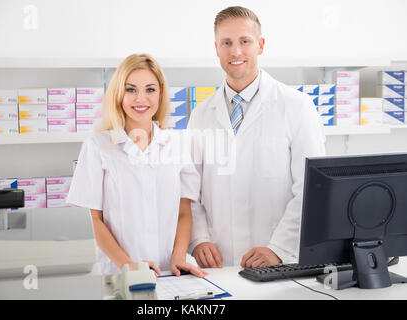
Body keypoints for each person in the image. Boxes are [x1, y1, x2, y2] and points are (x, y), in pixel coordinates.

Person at [187, 6, 326, 269]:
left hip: (279, 261)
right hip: (219, 263)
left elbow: (312, 188)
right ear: (216, 48)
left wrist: (279, 248)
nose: (236, 51)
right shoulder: (201, 115)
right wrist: (199, 240)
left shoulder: (297, 106)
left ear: (260, 45)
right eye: (226, 42)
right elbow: (190, 190)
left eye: (245, 41)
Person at [67, 53, 207, 278]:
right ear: (119, 93)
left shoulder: (177, 144)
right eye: (131, 89)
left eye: (150, 89)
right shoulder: (98, 146)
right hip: (118, 274)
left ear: (161, 93)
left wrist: (179, 257)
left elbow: (183, 212)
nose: (141, 99)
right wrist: (129, 266)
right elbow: (94, 220)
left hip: (168, 273)